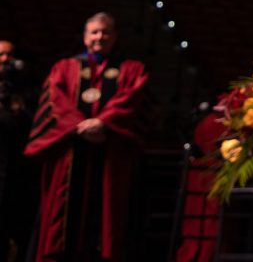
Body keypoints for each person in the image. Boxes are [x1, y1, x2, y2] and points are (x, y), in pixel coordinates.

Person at [24, 13, 150, 262]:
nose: (99, 37)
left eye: (105, 32)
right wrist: (79, 125)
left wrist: (103, 122)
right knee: (63, 219)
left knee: (107, 216)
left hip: (110, 149)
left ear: (115, 37)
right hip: (69, 149)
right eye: (94, 32)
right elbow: (54, 100)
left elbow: (132, 99)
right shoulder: (64, 68)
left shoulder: (132, 69)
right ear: (84, 37)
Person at [0, 39, 36, 262]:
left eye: (9, 56)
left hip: (13, 175)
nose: (5, 60)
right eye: (1, 55)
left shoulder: (25, 93)